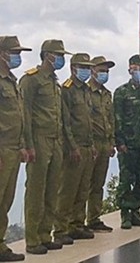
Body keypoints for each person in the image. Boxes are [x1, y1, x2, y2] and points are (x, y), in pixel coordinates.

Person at [20, 39, 70, 254]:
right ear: (47, 55)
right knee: (36, 190)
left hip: (55, 140)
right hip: (38, 140)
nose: (61, 60)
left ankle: (45, 234)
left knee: (52, 190)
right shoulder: (31, 80)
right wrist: (28, 144)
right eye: (58, 55)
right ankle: (32, 240)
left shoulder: (54, 82)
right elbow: (25, 114)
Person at [54, 53, 96, 244]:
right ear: (73, 68)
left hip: (88, 146)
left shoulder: (86, 90)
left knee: (83, 189)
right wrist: (72, 146)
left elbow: (89, 120)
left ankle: (77, 225)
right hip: (74, 147)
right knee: (67, 190)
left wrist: (92, 144)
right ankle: (61, 229)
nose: (86, 71)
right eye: (83, 67)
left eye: (88, 67)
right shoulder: (67, 90)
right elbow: (66, 122)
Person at [114, 54, 140, 230]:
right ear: (131, 69)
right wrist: (120, 141)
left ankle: (136, 211)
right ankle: (125, 214)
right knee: (126, 180)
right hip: (128, 146)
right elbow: (117, 119)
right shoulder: (122, 92)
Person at [0, 36, 30, 262]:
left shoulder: (11, 80)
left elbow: (18, 117)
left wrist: (21, 146)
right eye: (14, 52)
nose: (17, 57)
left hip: (12, 149)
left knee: (5, 200)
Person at [86, 56, 116, 233]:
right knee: (83, 185)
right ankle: (75, 222)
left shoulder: (106, 94)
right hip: (90, 144)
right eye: (102, 70)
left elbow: (110, 119)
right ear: (92, 70)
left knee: (98, 184)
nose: (105, 74)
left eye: (107, 71)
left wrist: (111, 142)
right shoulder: (86, 91)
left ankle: (94, 218)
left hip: (104, 144)